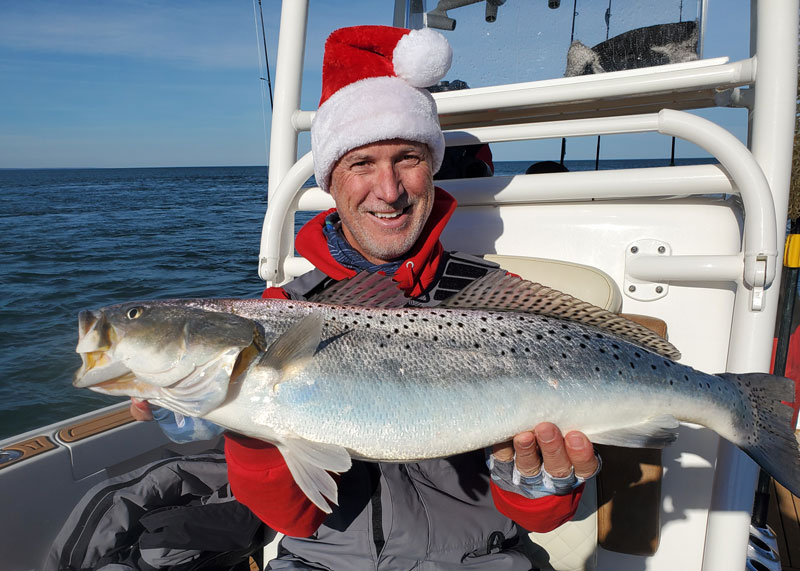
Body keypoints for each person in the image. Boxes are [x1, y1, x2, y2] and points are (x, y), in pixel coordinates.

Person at [132, 25, 600, 569]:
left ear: (432, 167)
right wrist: (248, 424)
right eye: (361, 163)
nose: (389, 189)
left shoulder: (500, 302)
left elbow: (539, 518)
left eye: (407, 157)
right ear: (331, 179)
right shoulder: (281, 312)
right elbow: (291, 520)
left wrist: (540, 485)